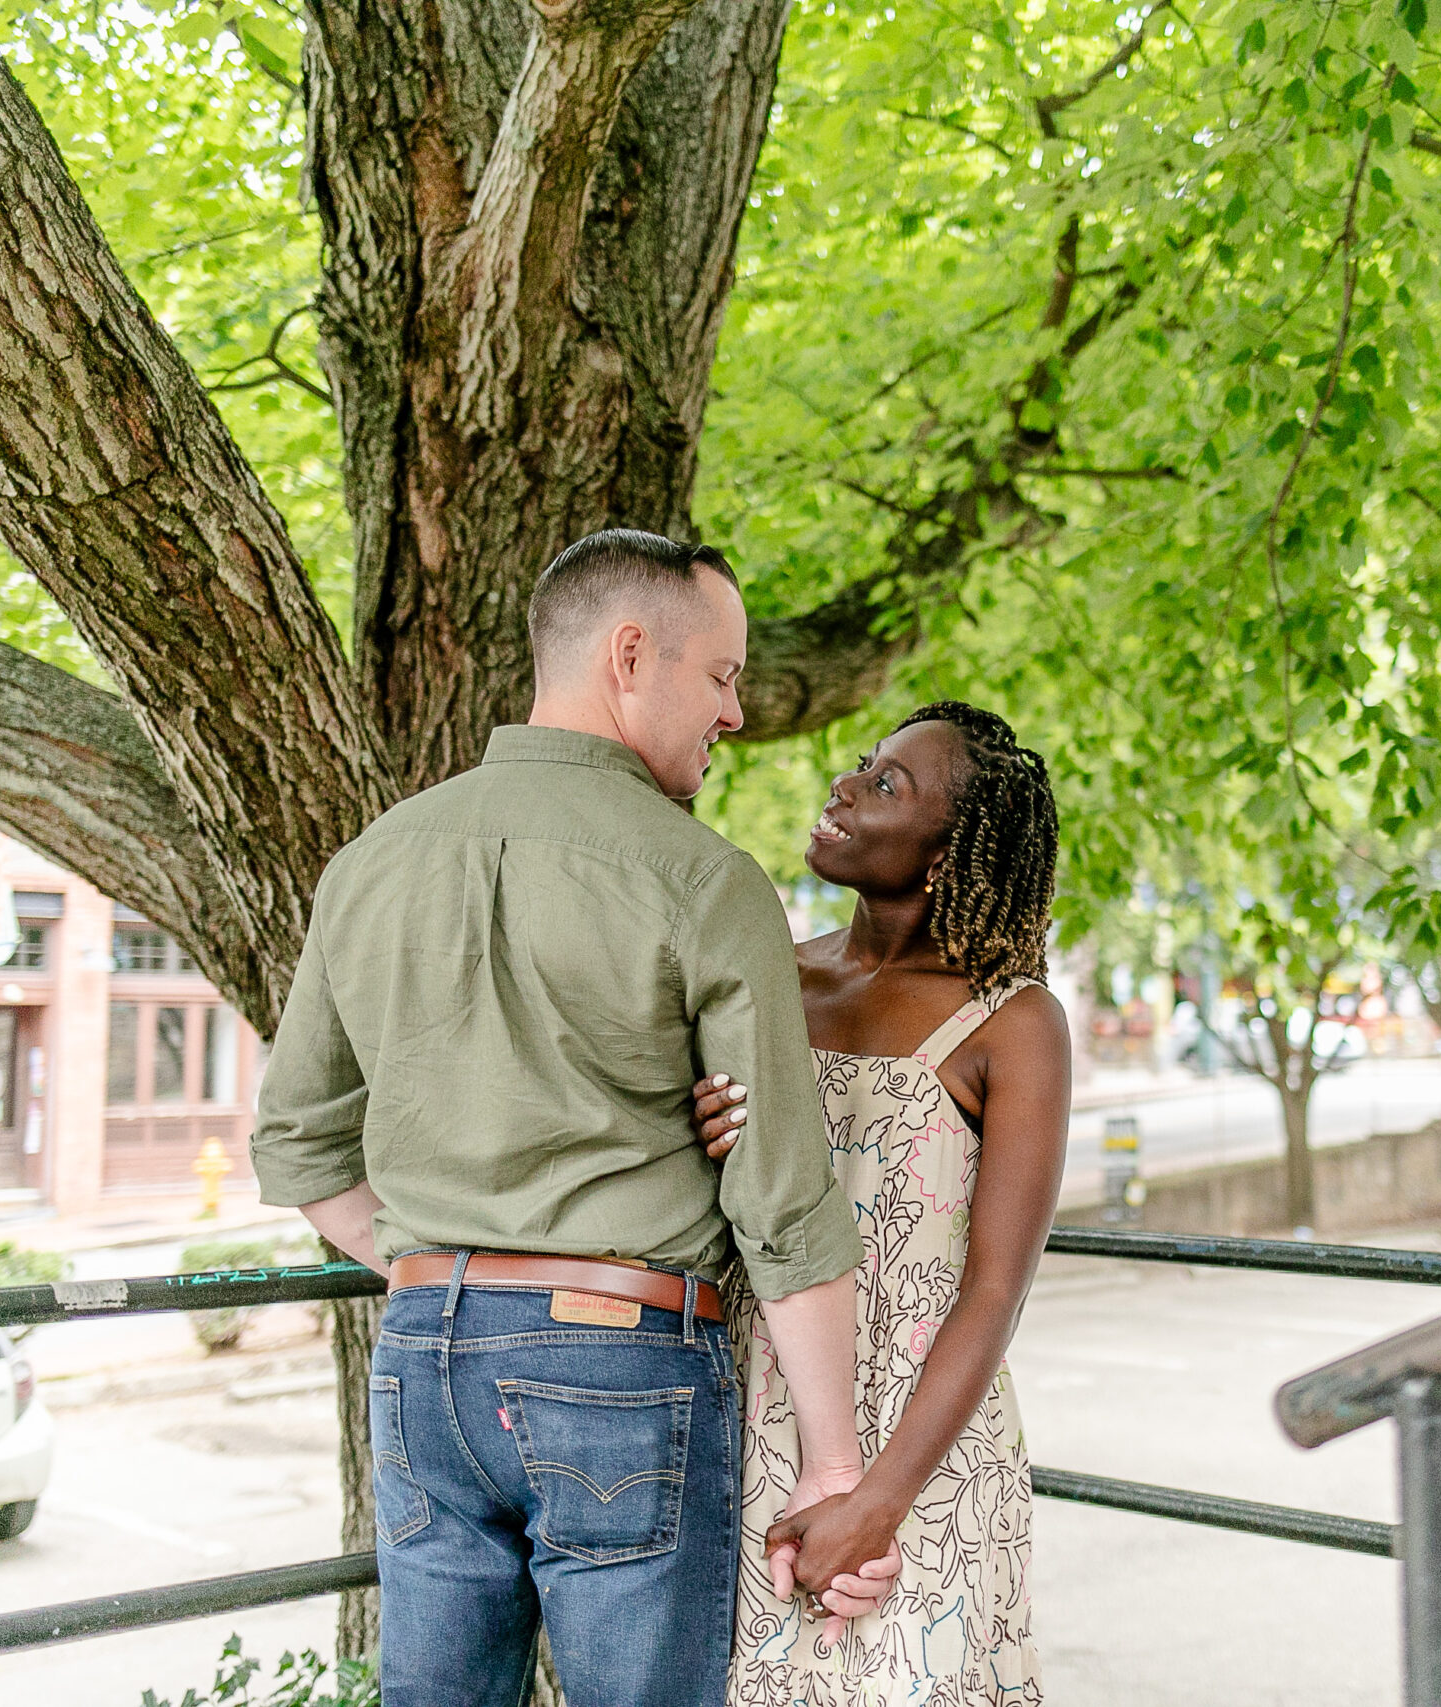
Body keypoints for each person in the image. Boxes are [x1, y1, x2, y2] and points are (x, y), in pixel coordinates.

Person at [251, 529, 890, 1707]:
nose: (736, 712)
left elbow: (296, 1145)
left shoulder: (369, 863)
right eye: (724, 675)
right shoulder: (703, 880)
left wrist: (439, 1262)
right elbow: (784, 1201)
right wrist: (834, 1467)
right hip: (618, 1359)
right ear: (631, 654)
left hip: (420, 1356)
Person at [696, 702, 1071, 1704]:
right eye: (863, 765)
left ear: (950, 854)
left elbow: (993, 1291)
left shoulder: (1014, 1021)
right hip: (756, 1410)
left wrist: (878, 1501)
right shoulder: (776, 979)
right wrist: (700, 1131)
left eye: (888, 785)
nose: (845, 786)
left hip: (926, 1452)